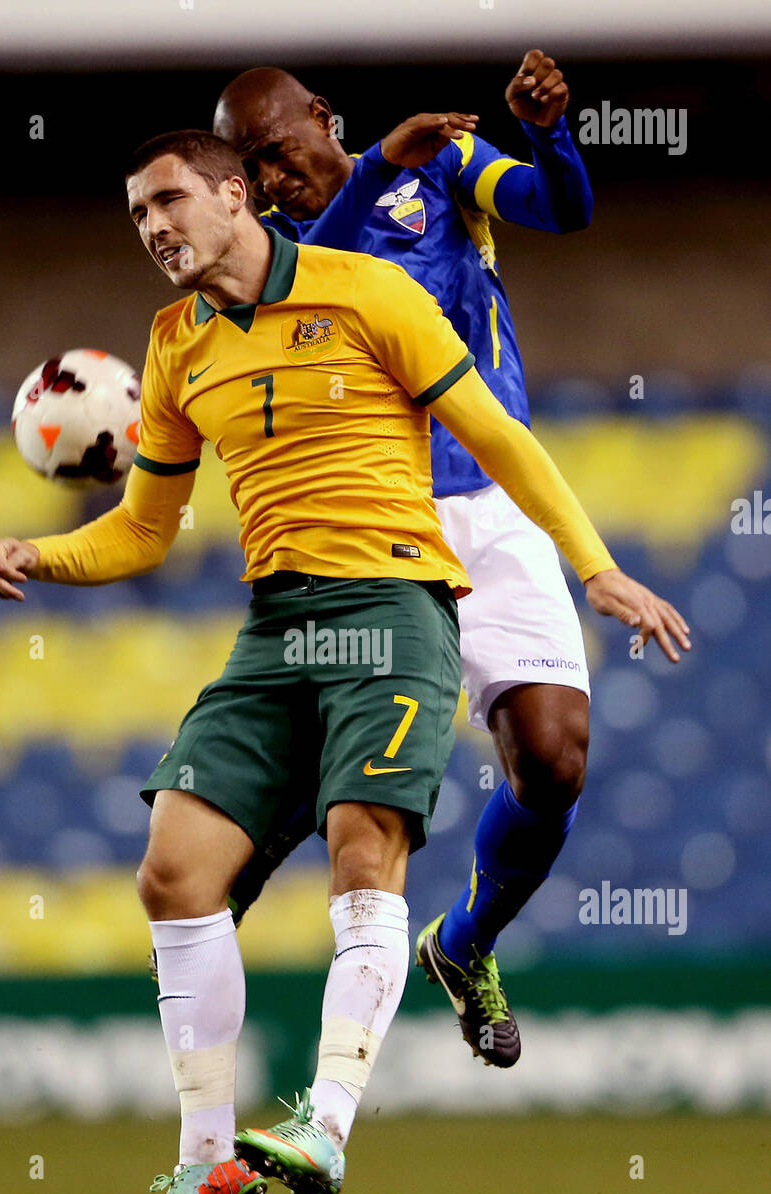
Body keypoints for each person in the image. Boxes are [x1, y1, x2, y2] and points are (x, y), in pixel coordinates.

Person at [0, 129, 687, 1194]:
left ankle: (326, 1119)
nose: (153, 228)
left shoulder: (369, 291)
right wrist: (38, 553)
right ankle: (205, 1155)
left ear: (231, 192)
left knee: (366, 844)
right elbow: (146, 529)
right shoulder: (172, 344)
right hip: (273, 631)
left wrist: (592, 563)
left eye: (167, 200)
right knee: (172, 868)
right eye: (136, 214)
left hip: (394, 610)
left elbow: (496, 435)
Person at [213, 57, 691, 1070]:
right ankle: (219, 964)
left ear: (319, 117)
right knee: (318, 789)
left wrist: (550, 133)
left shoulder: (438, 168)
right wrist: (373, 164)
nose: (263, 180)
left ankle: (462, 946)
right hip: (373, 524)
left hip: (494, 495)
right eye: (245, 170)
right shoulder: (275, 247)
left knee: (555, 759)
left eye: (272, 150)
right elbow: (297, 304)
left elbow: (558, 210)